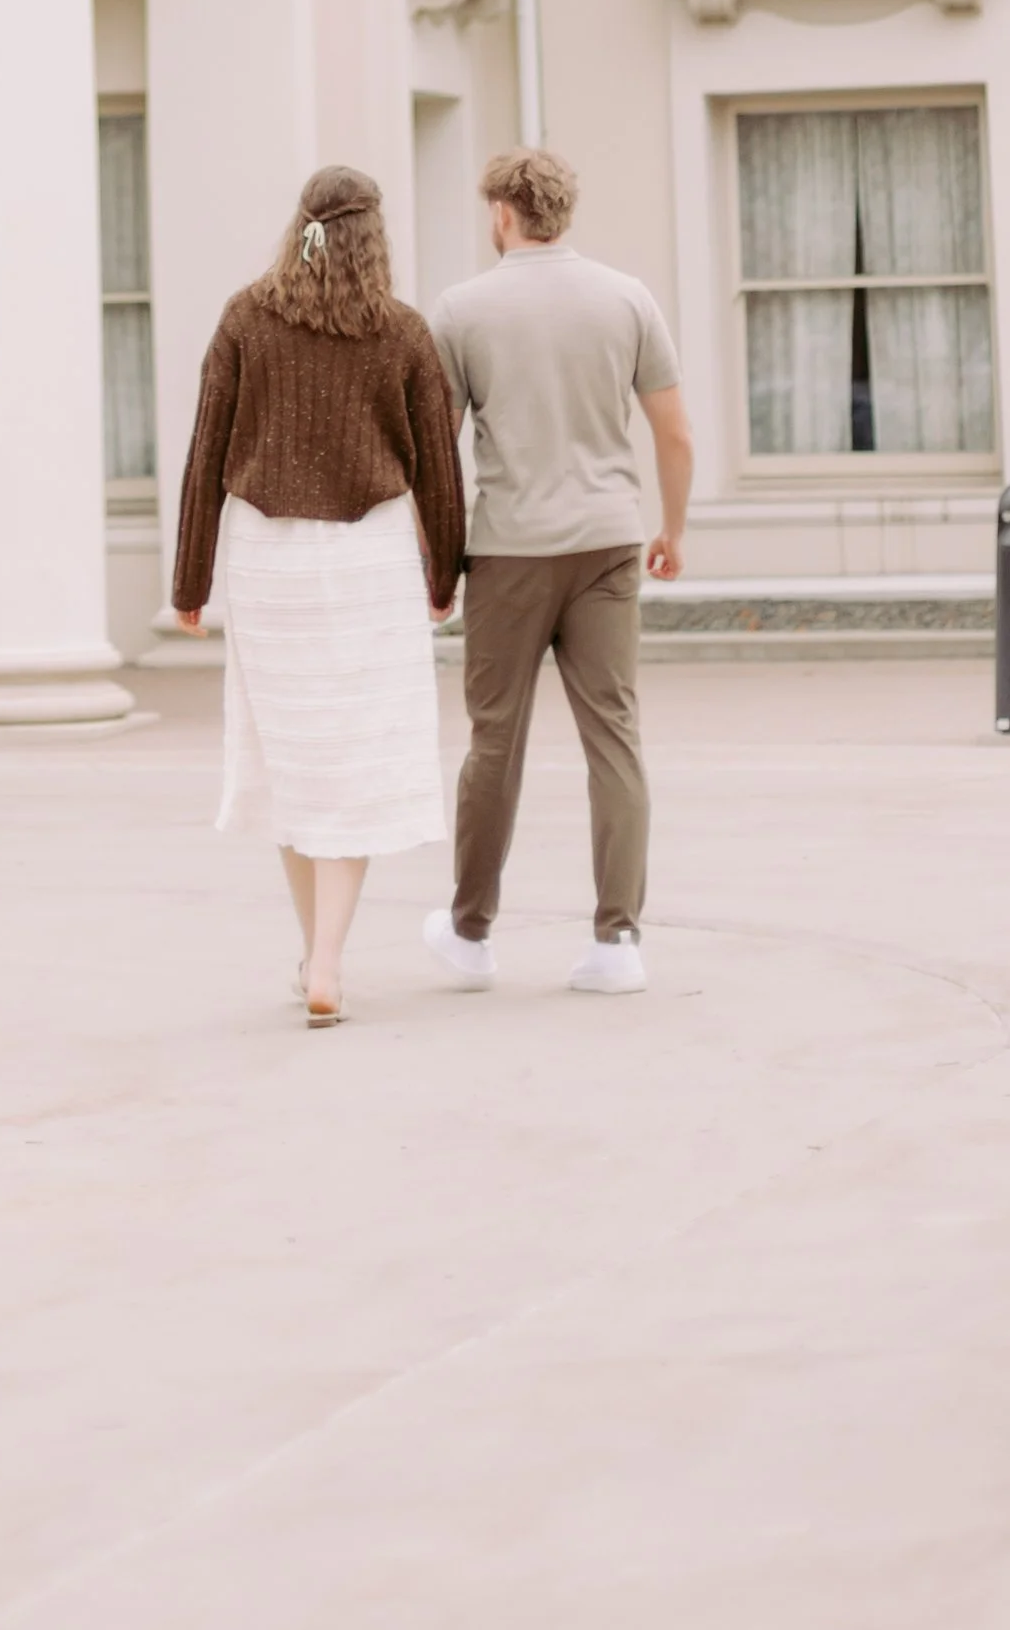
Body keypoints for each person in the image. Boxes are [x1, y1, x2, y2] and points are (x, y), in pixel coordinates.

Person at [172, 164, 467, 1027]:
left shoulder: (245, 317)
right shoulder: (402, 332)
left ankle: (315, 959)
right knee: (352, 764)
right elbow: (439, 468)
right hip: (368, 562)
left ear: (299, 225)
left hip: (268, 564)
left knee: (293, 761)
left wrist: (190, 581)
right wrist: (444, 573)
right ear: (375, 236)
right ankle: (328, 958)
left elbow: (205, 452)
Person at [423, 145, 693, 998]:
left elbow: (436, 454)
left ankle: (471, 936)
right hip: (608, 544)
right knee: (614, 736)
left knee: (494, 741)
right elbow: (675, 433)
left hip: (507, 551)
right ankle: (618, 942)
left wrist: (438, 566)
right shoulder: (628, 299)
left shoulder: (461, 310)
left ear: (503, 213)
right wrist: (672, 529)